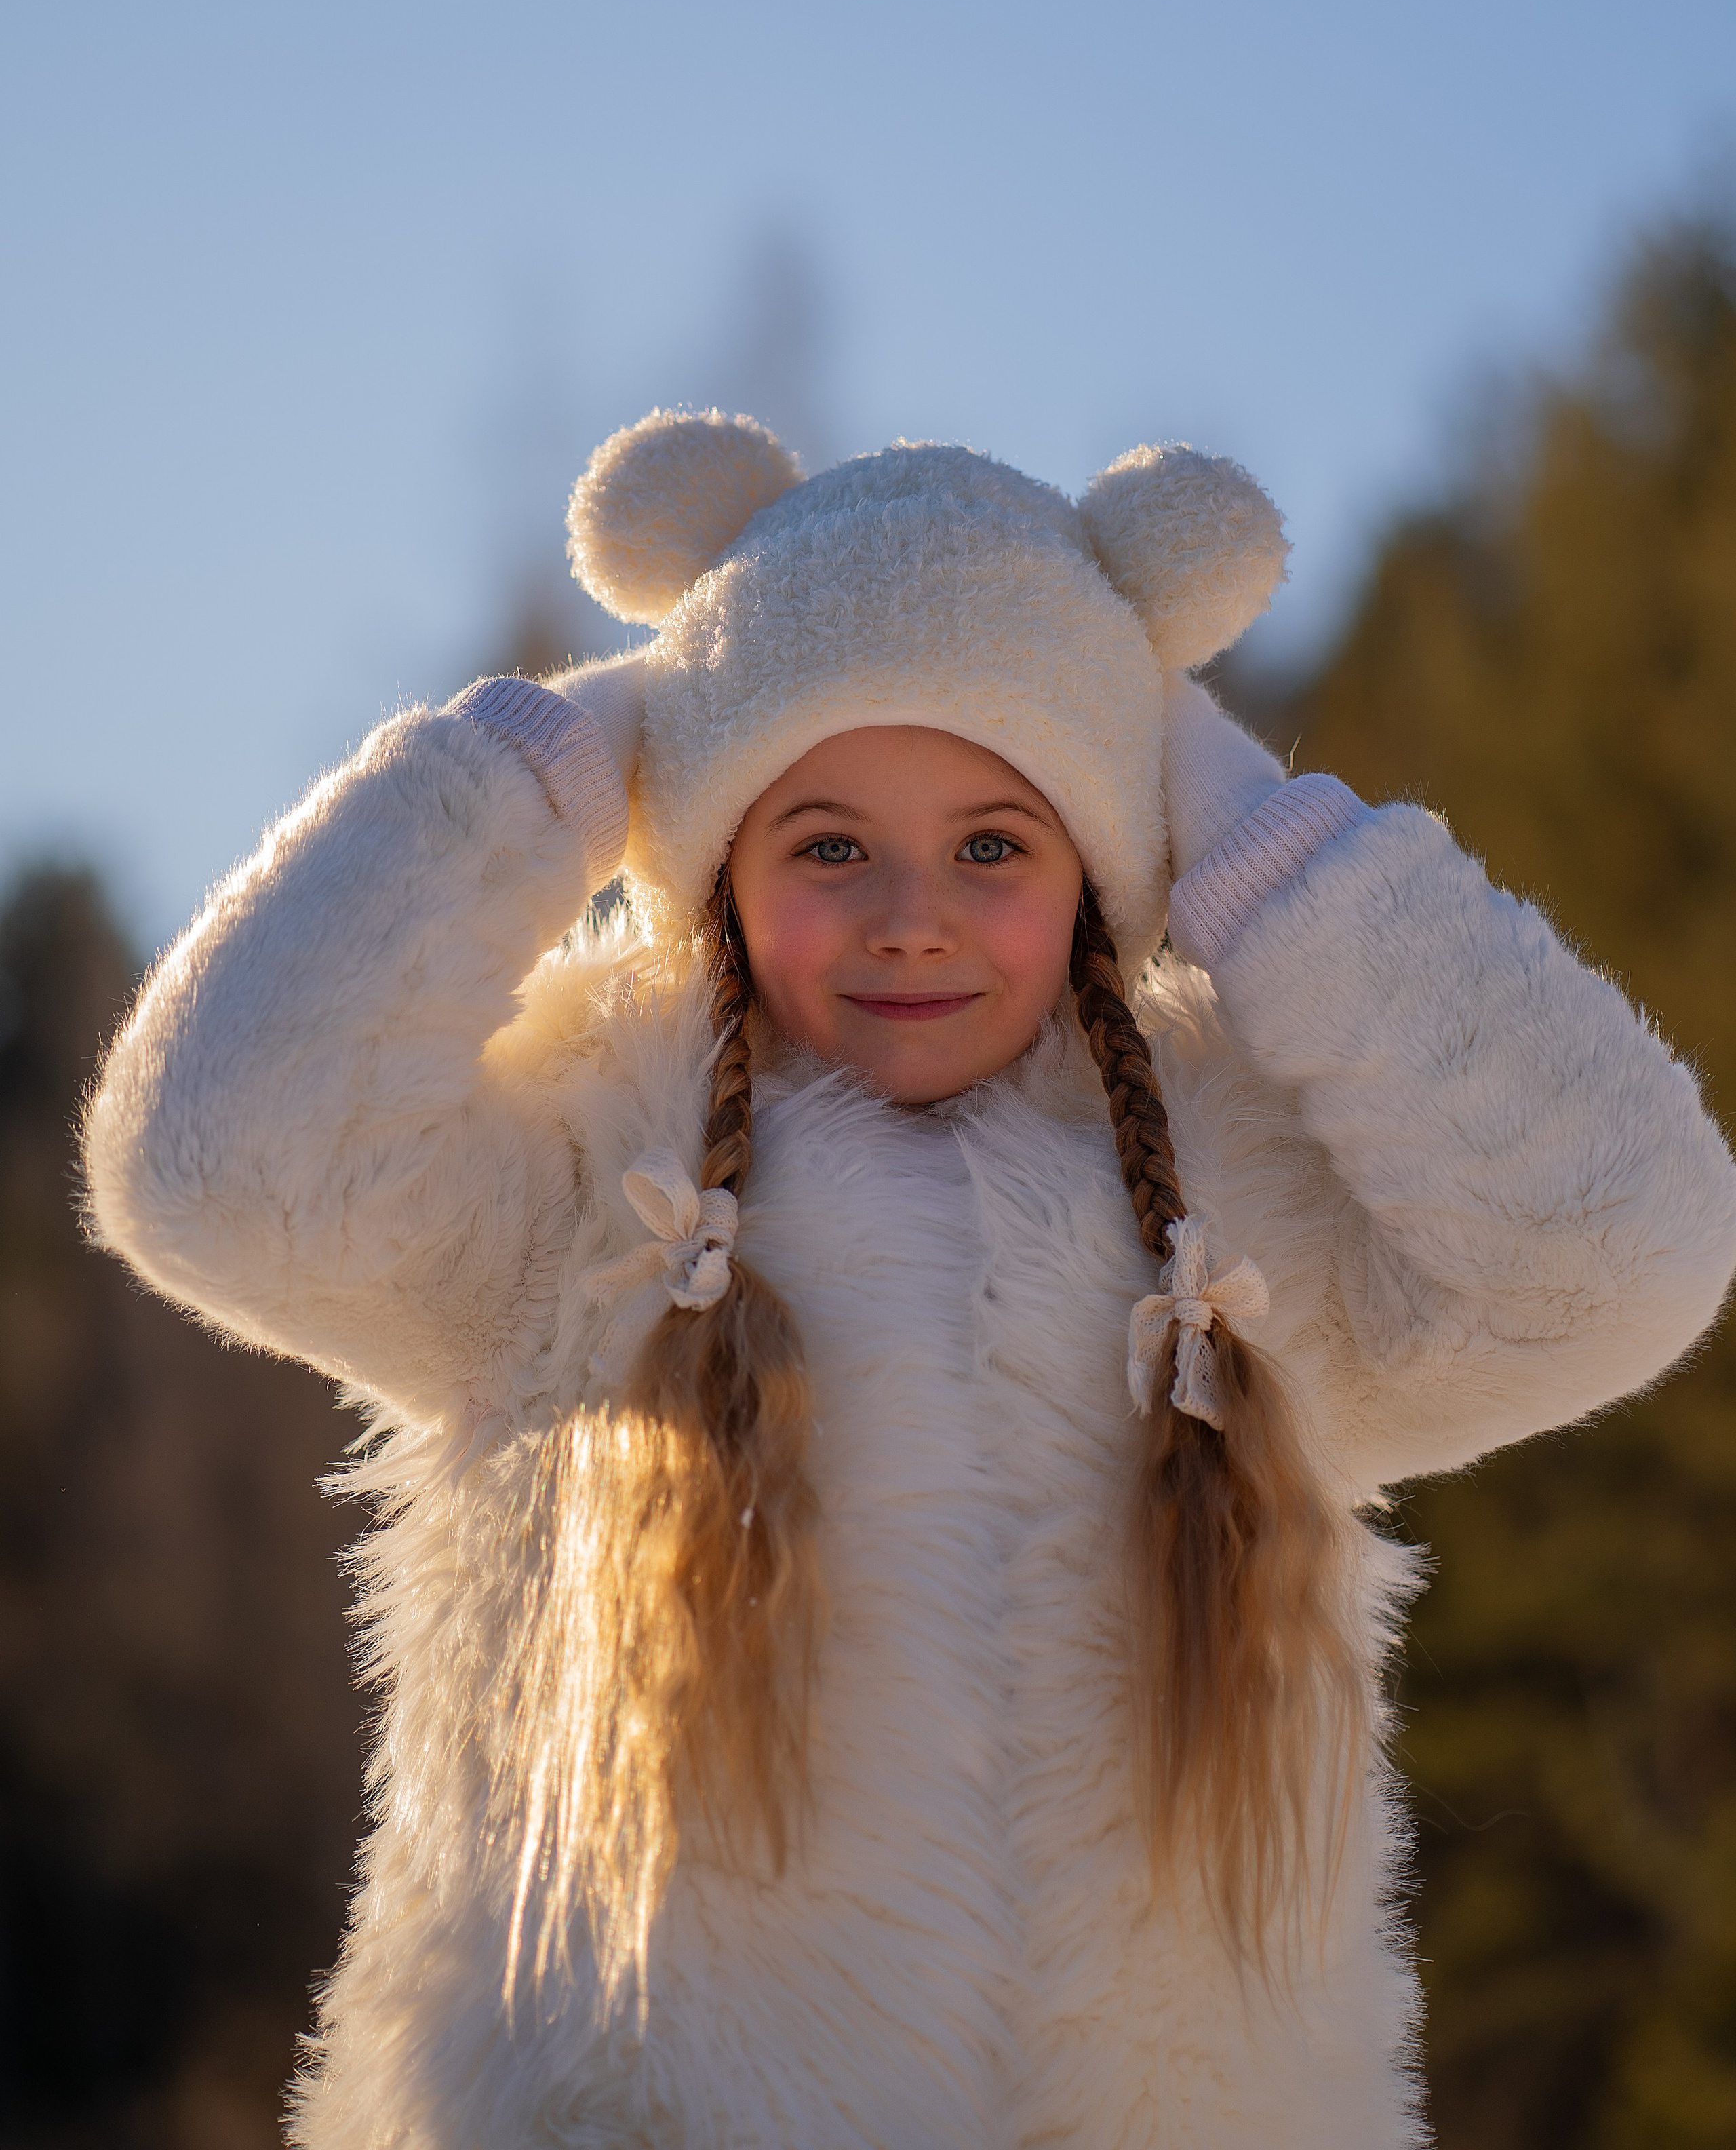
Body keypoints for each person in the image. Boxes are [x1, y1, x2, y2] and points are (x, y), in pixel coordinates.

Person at [85, 415, 1736, 2149]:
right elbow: (215, 1165)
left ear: (1102, 868)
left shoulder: (1243, 1219)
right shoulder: (567, 1188)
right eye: (825, 845)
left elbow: (1613, 1255)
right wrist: (547, 762)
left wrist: (1271, 851)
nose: (909, 917)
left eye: (993, 845)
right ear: (713, 863)